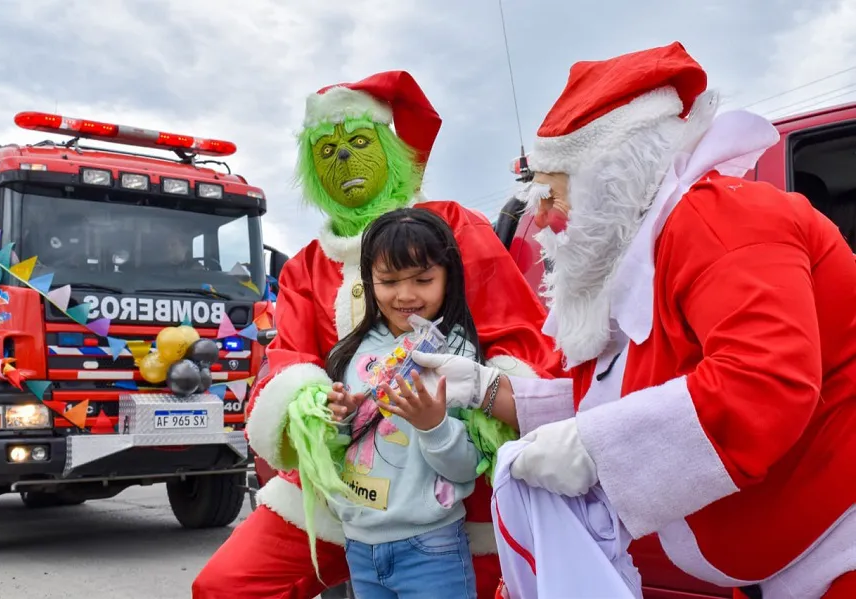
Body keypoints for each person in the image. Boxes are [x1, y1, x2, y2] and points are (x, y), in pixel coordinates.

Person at [412, 42, 856, 599]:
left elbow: (763, 381)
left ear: (610, 174)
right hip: (785, 572)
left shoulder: (722, 218)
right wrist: (486, 388)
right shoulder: (642, 255)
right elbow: (621, 401)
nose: (539, 217)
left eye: (550, 193)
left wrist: (592, 448)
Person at [192, 71, 565, 599]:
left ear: (390, 150)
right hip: (339, 490)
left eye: (359, 142)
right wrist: (317, 407)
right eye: (326, 150)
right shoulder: (305, 266)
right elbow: (290, 361)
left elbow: (518, 337)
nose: (344, 159)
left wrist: (477, 407)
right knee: (225, 586)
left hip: (450, 501)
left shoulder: (451, 226)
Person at [323, 208, 484, 598]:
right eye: (389, 280)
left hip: (432, 546)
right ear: (369, 281)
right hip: (359, 544)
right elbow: (334, 451)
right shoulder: (351, 353)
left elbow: (468, 467)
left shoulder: (458, 355)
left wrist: (434, 426)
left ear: (449, 277)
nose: (406, 295)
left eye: (423, 279)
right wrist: (339, 419)